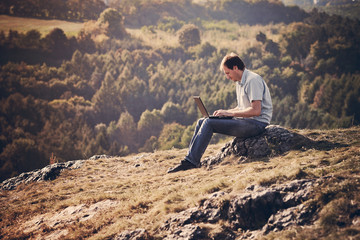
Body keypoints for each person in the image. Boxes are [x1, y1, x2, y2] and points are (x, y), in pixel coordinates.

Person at [167, 52, 273, 173]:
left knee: (209, 123)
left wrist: (231, 114)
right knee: (202, 121)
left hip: (257, 124)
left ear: (235, 67)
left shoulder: (252, 80)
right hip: (246, 121)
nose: (227, 77)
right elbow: (242, 107)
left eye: (228, 73)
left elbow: (256, 110)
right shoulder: (240, 82)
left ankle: (191, 162)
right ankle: (189, 159)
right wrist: (226, 112)